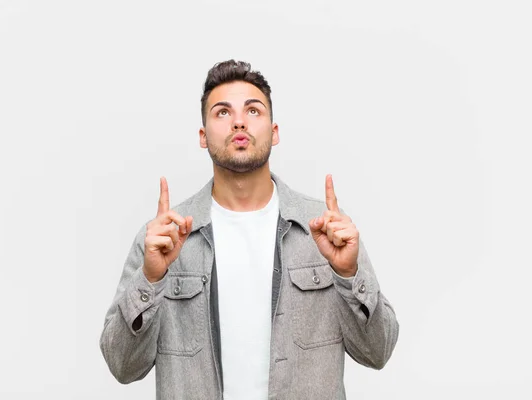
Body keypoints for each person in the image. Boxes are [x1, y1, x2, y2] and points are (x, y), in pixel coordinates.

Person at [100, 60, 399, 400]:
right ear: (203, 136)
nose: (239, 120)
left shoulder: (325, 229)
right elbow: (121, 366)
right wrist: (150, 280)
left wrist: (349, 273)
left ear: (274, 132)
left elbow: (379, 351)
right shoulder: (163, 238)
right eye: (222, 112)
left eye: (253, 111)